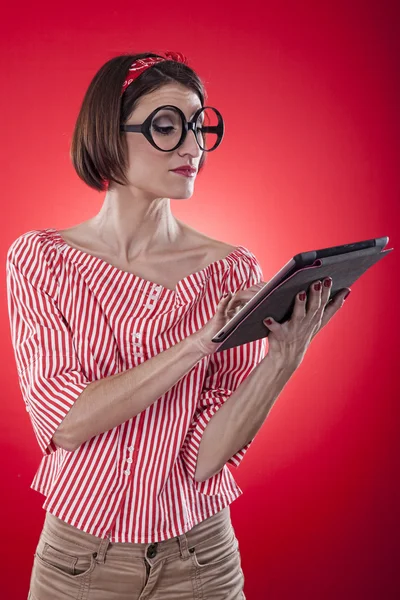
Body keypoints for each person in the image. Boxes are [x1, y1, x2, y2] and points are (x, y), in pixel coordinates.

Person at [6, 51, 350, 600]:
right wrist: (197, 344)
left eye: (198, 126)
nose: (192, 146)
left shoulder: (235, 271)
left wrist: (283, 361)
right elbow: (65, 422)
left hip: (202, 561)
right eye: (166, 126)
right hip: (78, 565)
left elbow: (204, 459)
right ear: (108, 134)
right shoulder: (42, 260)